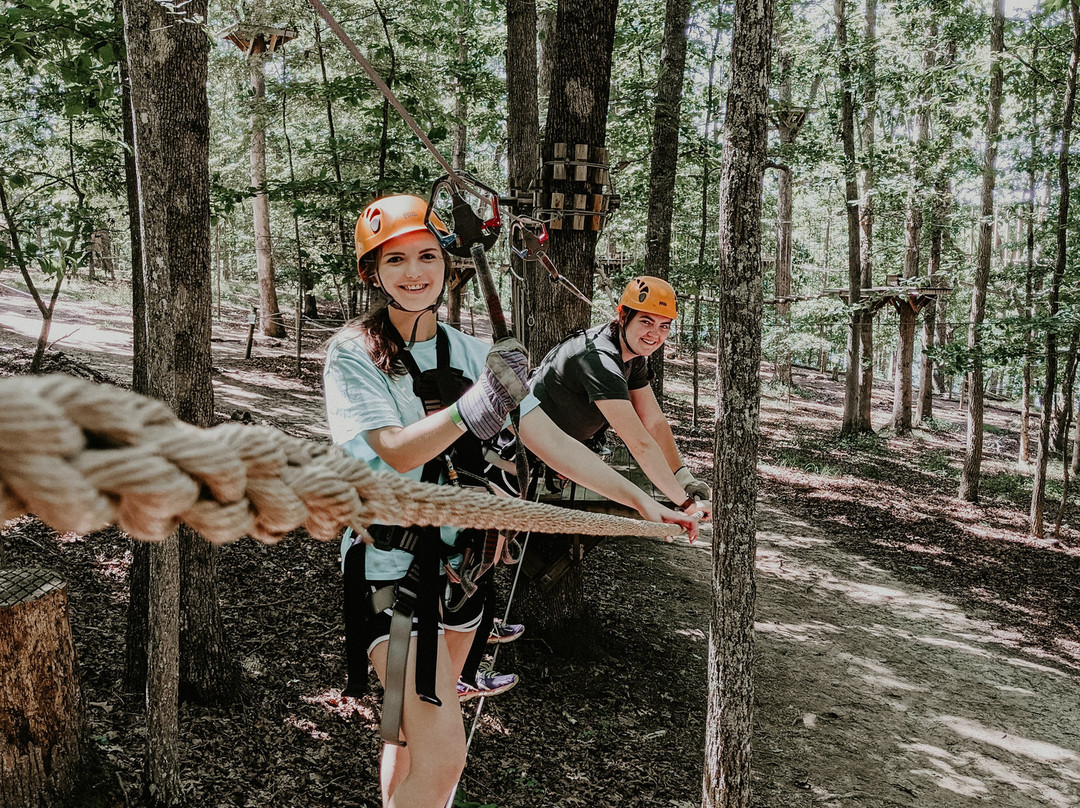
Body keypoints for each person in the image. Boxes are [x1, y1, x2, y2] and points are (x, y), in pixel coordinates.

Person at [322, 195, 697, 808]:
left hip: (464, 571)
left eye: (427, 256)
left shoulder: (474, 354)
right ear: (373, 272)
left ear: (448, 263)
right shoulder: (353, 352)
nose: (414, 272)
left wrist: (641, 500)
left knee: (409, 739)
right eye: (395, 260)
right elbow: (394, 451)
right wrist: (476, 405)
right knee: (444, 756)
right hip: (389, 568)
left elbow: (554, 444)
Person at [529, 275, 713, 515]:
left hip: (547, 454)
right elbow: (640, 444)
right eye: (646, 321)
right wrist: (685, 503)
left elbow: (653, 422)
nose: (654, 334)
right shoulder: (599, 360)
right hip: (513, 457)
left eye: (664, 326)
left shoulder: (632, 356)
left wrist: (684, 479)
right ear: (624, 316)